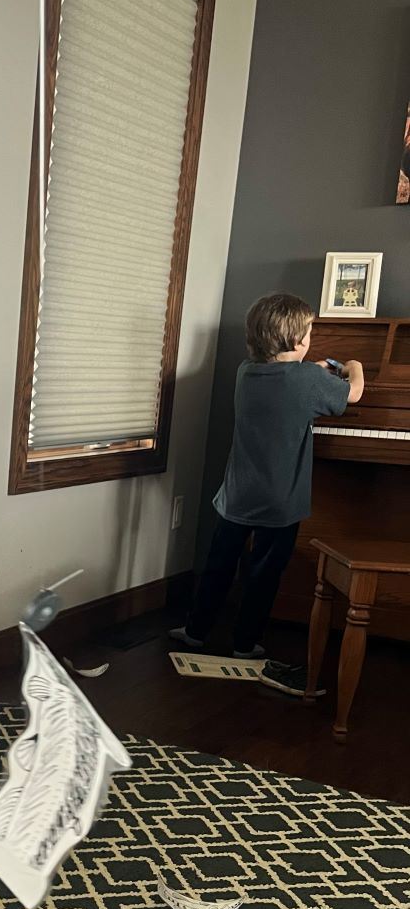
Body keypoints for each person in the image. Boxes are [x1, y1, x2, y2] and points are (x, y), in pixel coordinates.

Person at [171, 292, 364, 695]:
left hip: (237, 495)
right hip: (280, 502)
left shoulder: (246, 371)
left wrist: (310, 369)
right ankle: (245, 644)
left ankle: (195, 631)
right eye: (309, 332)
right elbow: (353, 394)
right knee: (263, 573)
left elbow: (289, 380)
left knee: (220, 563)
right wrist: (353, 367)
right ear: (298, 339)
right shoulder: (310, 380)